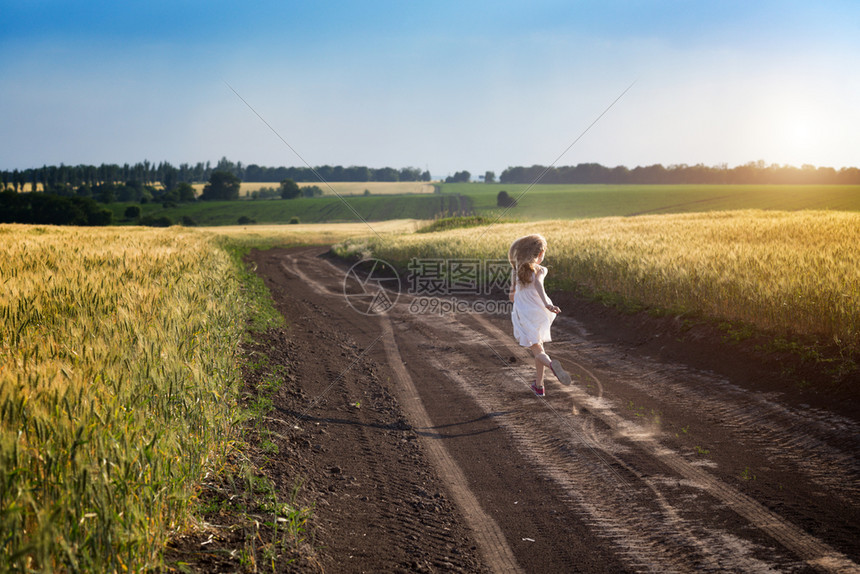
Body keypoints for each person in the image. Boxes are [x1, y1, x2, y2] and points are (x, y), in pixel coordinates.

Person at [508, 234, 571, 396]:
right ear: (540, 253)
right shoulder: (540, 269)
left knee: (537, 349)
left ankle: (551, 366)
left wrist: (519, 294)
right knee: (539, 347)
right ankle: (539, 386)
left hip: (524, 312)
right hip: (539, 310)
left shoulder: (516, 270)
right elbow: (538, 285)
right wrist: (547, 304)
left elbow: (512, 296)